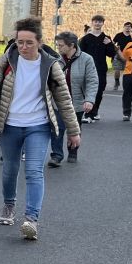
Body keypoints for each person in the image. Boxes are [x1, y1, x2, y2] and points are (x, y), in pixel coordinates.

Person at [0, 17, 81, 240]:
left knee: (34, 171)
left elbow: (64, 100)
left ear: (40, 42)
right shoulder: (6, 61)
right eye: (19, 42)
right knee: (10, 169)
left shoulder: (50, 65)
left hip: (38, 126)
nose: (23, 47)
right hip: (9, 125)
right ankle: (9, 204)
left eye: (29, 43)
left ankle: (31, 220)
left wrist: (74, 131)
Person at [50, 32, 97, 165]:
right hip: (58, 102)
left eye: (61, 45)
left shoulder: (86, 59)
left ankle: (73, 151)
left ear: (71, 45)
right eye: (57, 45)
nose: (58, 47)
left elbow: (92, 81)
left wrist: (89, 99)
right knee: (57, 129)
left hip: (76, 102)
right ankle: (57, 156)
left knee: (74, 129)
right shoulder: (55, 59)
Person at [78, 15, 116, 121]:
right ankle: (88, 114)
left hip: (101, 68)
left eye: (100, 22)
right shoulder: (85, 39)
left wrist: (109, 44)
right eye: (95, 21)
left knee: (99, 90)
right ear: (92, 23)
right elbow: (80, 54)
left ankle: (94, 112)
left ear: (103, 23)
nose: (97, 23)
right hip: (87, 68)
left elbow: (111, 54)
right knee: (88, 90)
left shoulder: (106, 38)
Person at [111, 22, 132, 90]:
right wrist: (114, 50)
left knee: (127, 72)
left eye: (129, 26)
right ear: (124, 27)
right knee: (117, 70)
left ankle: (126, 85)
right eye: (126, 26)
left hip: (128, 56)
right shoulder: (119, 35)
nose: (127, 28)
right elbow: (113, 43)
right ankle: (117, 81)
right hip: (118, 55)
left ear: (131, 28)